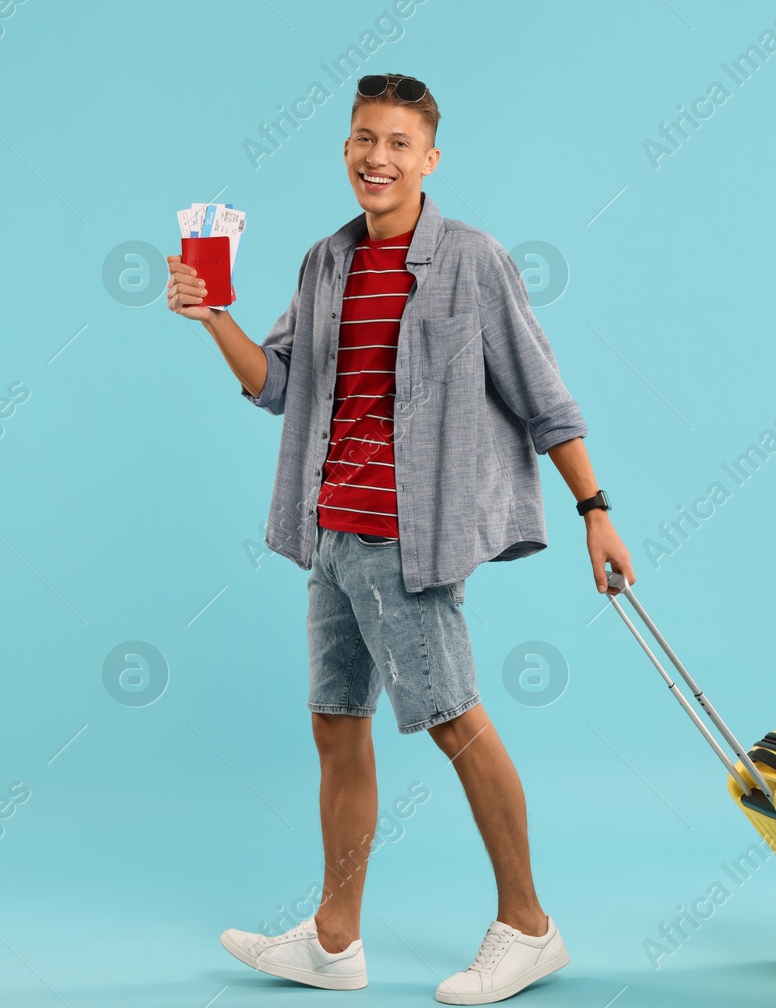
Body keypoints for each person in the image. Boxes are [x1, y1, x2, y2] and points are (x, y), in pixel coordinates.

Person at [166, 72, 634, 1004]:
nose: (376, 159)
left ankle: (530, 926)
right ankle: (335, 941)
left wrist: (596, 508)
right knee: (337, 729)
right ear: (345, 148)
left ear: (429, 159)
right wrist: (213, 315)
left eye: (396, 143)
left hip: (408, 540)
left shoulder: (473, 261)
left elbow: (545, 397)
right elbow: (278, 384)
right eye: (361, 140)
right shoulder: (324, 263)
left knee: (458, 724)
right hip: (330, 534)